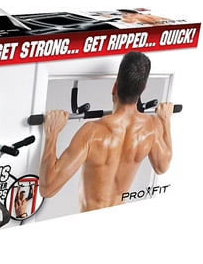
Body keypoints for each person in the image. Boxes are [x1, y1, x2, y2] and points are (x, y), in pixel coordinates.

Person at [39, 51, 174, 212]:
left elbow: (47, 188)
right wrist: (165, 121)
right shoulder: (151, 127)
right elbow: (162, 167)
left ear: (114, 87)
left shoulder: (92, 133)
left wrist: (52, 134)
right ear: (143, 89)